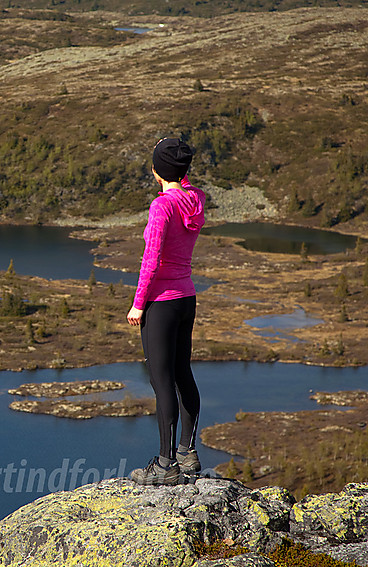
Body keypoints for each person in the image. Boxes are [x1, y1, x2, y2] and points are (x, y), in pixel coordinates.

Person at [127, 137, 206, 486]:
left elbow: (151, 258)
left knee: (161, 384)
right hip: (186, 298)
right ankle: (188, 454)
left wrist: (138, 303)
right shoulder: (195, 199)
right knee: (182, 374)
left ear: (157, 171)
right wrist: (177, 170)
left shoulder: (162, 207)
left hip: (160, 302)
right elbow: (184, 181)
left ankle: (165, 465)